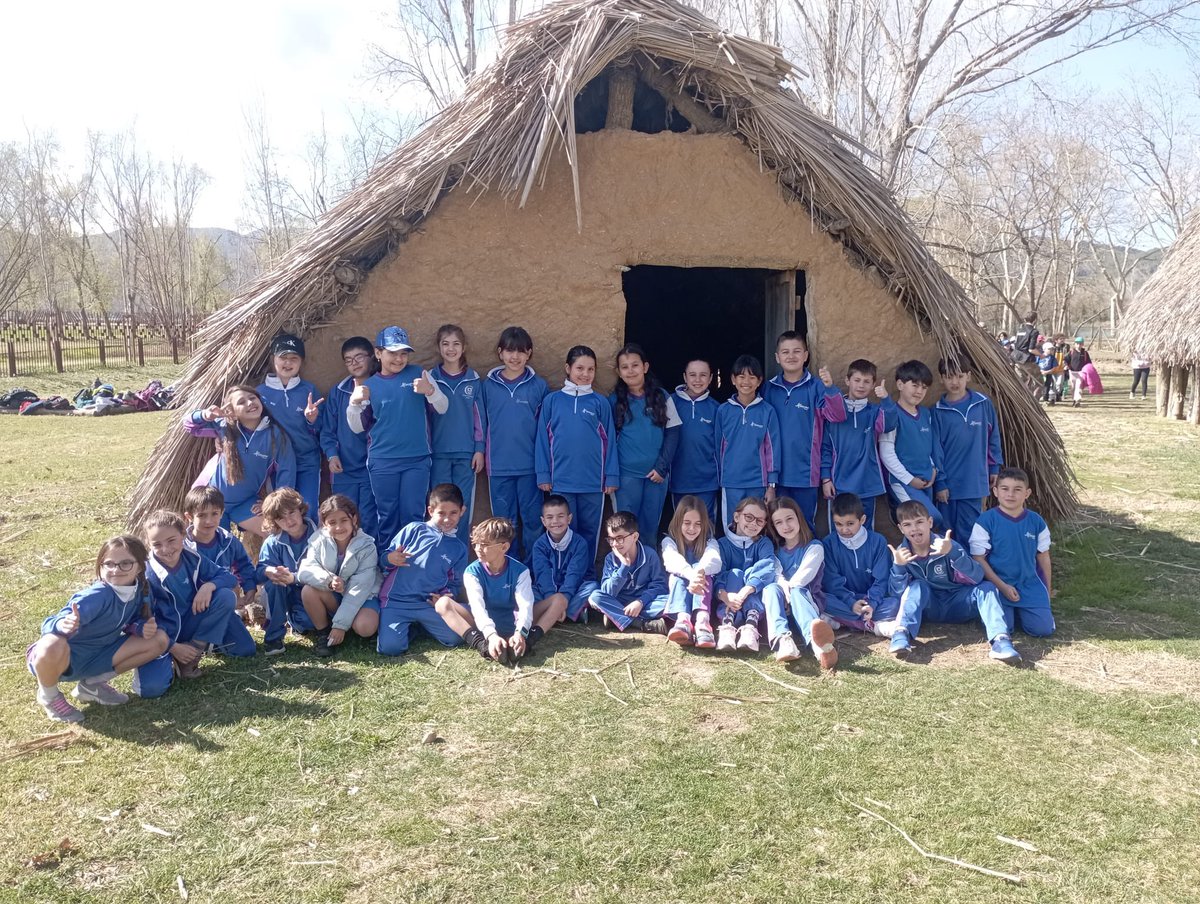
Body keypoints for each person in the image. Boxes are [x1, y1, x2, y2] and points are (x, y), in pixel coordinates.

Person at [27, 535, 167, 723]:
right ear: (100, 566)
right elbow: (50, 623)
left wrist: (141, 628)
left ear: (140, 566)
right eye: (109, 564)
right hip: (61, 660)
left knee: (158, 640)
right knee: (51, 642)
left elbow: (128, 622)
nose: (116, 570)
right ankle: (49, 696)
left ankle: (92, 685)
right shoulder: (98, 594)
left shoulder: (138, 590)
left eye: (125, 563)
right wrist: (62, 624)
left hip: (96, 656)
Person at [348, 325, 450, 554]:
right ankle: (388, 566)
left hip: (417, 460)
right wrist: (354, 403)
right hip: (382, 462)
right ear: (378, 353)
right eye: (392, 352)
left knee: (413, 515)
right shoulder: (369, 386)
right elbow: (356, 427)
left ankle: (413, 566)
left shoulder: (418, 374)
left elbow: (443, 407)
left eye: (403, 353)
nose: (399, 358)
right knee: (387, 515)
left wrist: (430, 391)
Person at [136, 511, 257, 698]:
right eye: (157, 544)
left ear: (183, 536)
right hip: (162, 634)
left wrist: (209, 586)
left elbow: (228, 577)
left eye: (171, 540)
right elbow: (143, 623)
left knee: (228, 603)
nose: (166, 549)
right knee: (152, 689)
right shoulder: (146, 575)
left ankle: (195, 651)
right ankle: (176, 655)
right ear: (148, 545)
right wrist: (173, 646)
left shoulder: (192, 557)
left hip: (192, 621)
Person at [885, 501, 1003, 660]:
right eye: (907, 524)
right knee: (918, 585)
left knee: (987, 588)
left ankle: (1000, 640)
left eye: (919, 522)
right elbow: (897, 594)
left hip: (958, 603)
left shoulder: (947, 545)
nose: (914, 528)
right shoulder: (901, 553)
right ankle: (901, 634)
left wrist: (952, 553)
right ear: (901, 528)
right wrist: (898, 566)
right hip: (930, 608)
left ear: (930, 522)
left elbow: (976, 577)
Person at [536, 345, 619, 565]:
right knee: (563, 534)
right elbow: (542, 441)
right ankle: (563, 577)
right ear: (568, 368)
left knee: (590, 533)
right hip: (561, 482)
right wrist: (543, 474)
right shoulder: (552, 402)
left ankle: (586, 578)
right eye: (580, 368)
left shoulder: (600, 403)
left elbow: (609, 441)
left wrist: (611, 477)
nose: (585, 374)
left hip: (593, 483)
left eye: (590, 369)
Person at [368, 483, 471, 656]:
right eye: (441, 513)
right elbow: (384, 559)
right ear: (430, 511)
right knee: (390, 649)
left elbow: (454, 582)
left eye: (453, 513)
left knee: (455, 638)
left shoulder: (459, 548)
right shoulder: (414, 529)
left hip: (427, 604)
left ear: (462, 511)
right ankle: (409, 629)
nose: (447, 519)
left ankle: (421, 625)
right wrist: (390, 558)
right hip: (396, 601)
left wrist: (445, 595)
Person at [185, 384, 296, 537]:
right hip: (210, 502)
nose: (250, 403)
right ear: (231, 412)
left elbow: (287, 471)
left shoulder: (275, 436)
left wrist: (273, 503)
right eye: (241, 402)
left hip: (244, 503)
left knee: (276, 534)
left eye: (252, 398)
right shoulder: (224, 427)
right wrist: (205, 414)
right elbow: (190, 426)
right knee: (213, 546)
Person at [969, 467, 1055, 662]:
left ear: (1027, 493)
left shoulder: (1036, 522)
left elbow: (1043, 557)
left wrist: (1047, 591)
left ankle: (1029, 610)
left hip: (1029, 583)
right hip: (998, 585)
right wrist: (1003, 587)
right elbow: (978, 558)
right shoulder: (986, 521)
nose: (1010, 494)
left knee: (1042, 630)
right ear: (996, 491)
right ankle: (1010, 612)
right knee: (1005, 627)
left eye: (1017, 489)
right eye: (1005, 488)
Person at [763, 331, 845, 531]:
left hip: (806, 474)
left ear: (806, 355)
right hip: (776, 475)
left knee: (804, 524)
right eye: (785, 352)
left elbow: (837, 416)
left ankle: (807, 561)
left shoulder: (816, 387)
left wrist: (830, 388)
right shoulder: (768, 389)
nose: (791, 356)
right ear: (777, 357)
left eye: (797, 351)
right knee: (777, 526)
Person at [459, 518, 566, 664]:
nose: (477, 548)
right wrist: (491, 635)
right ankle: (483, 645)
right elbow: (477, 608)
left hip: (512, 621)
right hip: (482, 625)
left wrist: (520, 633)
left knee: (559, 600)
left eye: (484, 544)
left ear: (504, 547)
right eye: (475, 544)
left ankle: (527, 642)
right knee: (443, 604)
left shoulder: (520, 571)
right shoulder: (471, 572)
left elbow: (525, 606)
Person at [482, 326, 548, 559]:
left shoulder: (539, 386)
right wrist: (480, 453)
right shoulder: (487, 386)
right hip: (498, 467)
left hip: (530, 467)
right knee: (504, 524)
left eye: (521, 351)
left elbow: (544, 432)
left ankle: (533, 569)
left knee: (532, 521)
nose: (515, 357)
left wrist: (543, 468)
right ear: (500, 353)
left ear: (529, 353)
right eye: (510, 351)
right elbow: (481, 424)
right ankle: (509, 570)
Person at [296, 495, 382, 658]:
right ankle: (323, 633)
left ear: (354, 519)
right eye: (332, 522)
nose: (339, 527)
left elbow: (360, 587)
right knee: (308, 591)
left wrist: (341, 625)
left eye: (344, 520)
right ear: (324, 524)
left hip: (363, 596)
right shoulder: (318, 540)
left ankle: (346, 626)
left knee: (365, 628)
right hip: (335, 596)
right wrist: (328, 581)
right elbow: (306, 569)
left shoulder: (367, 545)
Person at [611, 343, 681, 540]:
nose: (630, 370)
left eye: (635, 365)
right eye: (624, 367)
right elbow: (607, 440)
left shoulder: (662, 397)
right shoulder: (614, 400)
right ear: (618, 371)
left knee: (650, 528)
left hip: (655, 476)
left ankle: (647, 569)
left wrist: (661, 467)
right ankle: (625, 569)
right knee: (624, 529)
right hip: (625, 477)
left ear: (645, 367)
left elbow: (673, 433)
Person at [932, 353, 1002, 541]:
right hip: (948, 484)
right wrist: (940, 482)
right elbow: (935, 451)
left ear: (968, 376)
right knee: (946, 532)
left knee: (970, 531)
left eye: (960, 376)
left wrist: (994, 466)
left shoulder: (982, 404)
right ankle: (949, 570)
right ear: (941, 379)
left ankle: (970, 570)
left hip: (974, 481)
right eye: (948, 377)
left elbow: (993, 437)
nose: (955, 382)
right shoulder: (937, 411)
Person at [820, 359, 895, 530]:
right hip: (838, 483)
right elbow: (825, 447)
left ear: (873, 384)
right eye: (857, 380)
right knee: (839, 530)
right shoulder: (834, 413)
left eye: (867, 381)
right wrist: (826, 479)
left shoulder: (874, 412)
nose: (861, 385)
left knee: (866, 531)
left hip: (867, 483)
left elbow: (888, 424)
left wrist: (885, 400)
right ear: (847, 381)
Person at [429, 324, 488, 542]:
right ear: (439, 347)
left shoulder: (473, 379)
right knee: (439, 509)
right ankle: (437, 558)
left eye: (456, 344)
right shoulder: (431, 378)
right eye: (445, 344)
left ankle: (459, 558)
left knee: (462, 508)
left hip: (466, 454)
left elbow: (479, 419)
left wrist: (479, 449)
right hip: (438, 453)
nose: (450, 349)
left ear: (464, 348)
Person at [763, 497, 837, 668]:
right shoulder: (774, 551)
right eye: (779, 522)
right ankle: (784, 641)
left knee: (796, 591)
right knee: (770, 588)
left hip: (807, 602)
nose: (786, 526)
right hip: (784, 605)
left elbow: (802, 579)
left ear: (799, 518)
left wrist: (788, 595)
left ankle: (819, 648)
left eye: (789, 519)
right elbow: (777, 575)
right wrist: (784, 594)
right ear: (773, 527)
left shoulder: (814, 547)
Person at [258, 333, 323, 517]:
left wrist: (312, 418)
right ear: (273, 359)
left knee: (308, 509)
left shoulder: (309, 390)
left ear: (301, 362)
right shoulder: (260, 393)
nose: (288, 363)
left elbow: (321, 428)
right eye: (283, 357)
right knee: (281, 510)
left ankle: (308, 546)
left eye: (294, 358)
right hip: (277, 463)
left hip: (307, 460)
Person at [321, 336, 379, 539]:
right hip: (344, 468)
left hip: (374, 467)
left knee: (371, 518)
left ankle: (372, 564)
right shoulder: (339, 392)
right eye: (348, 359)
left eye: (359, 357)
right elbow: (328, 430)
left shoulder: (381, 386)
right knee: (342, 517)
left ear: (372, 357)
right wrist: (331, 455)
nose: (354, 363)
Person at [820, 493, 900, 637]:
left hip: (871, 600)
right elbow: (831, 582)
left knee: (895, 604)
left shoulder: (878, 541)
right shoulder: (828, 543)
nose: (844, 530)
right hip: (844, 600)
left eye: (850, 524)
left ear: (862, 520)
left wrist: (871, 604)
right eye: (838, 524)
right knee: (820, 599)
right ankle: (867, 624)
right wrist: (851, 602)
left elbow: (881, 580)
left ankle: (843, 621)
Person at [715, 354, 781, 524]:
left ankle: (756, 552)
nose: (746, 382)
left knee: (756, 524)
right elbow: (717, 448)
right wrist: (720, 478)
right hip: (731, 482)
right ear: (733, 379)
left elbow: (772, 450)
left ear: (759, 381)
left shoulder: (767, 411)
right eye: (741, 377)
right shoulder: (723, 411)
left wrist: (771, 485)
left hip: (758, 482)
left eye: (752, 377)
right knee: (733, 524)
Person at [878, 359, 944, 528]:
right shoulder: (892, 413)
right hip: (903, 483)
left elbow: (927, 447)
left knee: (920, 527)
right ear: (900, 385)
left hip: (926, 481)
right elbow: (886, 453)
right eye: (914, 385)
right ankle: (896, 510)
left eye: (924, 387)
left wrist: (933, 470)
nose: (919, 391)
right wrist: (909, 480)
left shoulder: (926, 414)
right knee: (931, 519)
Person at [255, 488, 318, 655]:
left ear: (301, 509)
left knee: (307, 624)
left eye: (291, 512)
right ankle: (273, 636)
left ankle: (295, 619)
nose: (288, 520)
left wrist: (294, 578)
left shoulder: (320, 534)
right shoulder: (272, 542)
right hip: (281, 591)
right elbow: (260, 571)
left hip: (311, 590)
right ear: (274, 522)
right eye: (280, 518)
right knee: (275, 583)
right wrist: (269, 571)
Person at [587, 510, 670, 633]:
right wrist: (624, 567)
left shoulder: (650, 555)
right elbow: (607, 592)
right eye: (611, 539)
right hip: (619, 601)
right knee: (595, 597)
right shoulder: (610, 559)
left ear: (635, 536)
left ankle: (615, 617)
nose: (615, 544)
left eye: (620, 538)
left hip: (644, 602)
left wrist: (640, 602)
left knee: (670, 601)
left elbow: (659, 585)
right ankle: (642, 624)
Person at [182, 486, 258, 615]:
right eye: (201, 515)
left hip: (224, 599)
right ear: (189, 516)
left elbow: (243, 564)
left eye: (214, 514)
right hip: (193, 604)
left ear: (222, 513)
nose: (208, 521)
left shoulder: (229, 542)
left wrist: (249, 586)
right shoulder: (183, 546)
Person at [713, 496, 774, 653]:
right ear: (736, 517)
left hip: (752, 599)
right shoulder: (722, 544)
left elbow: (768, 567)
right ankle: (727, 625)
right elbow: (718, 574)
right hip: (729, 600)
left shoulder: (763, 543)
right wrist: (724, 595)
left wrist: (747, 589)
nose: (753, 523)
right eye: (749, 517)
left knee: (752, 574)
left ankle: (751, 626)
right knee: (735, 573)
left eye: (759, 521)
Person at [661, 494, 722, 648]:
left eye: (697, 524)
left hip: (704, 593)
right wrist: (692, 576)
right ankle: (683, 621)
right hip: (680, 590)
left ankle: (703, 622)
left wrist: (699, 572)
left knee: (702, 568)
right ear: (678, 522)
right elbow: (671, 560)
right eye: (686, 523)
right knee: (677, 574)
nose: (692, 528)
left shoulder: (710, 541)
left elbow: (714, 560)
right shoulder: (669, 541)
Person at [529, 495, 599, 624]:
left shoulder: (579, 543)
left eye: (561, 516)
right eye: (550, 517)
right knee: (529, 590)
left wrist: (563, 599)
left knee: (592, 587)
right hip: (547, 594)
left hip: (572, 592)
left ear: (569, 518)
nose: (555, 521)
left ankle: (557, 614)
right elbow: (542, 574)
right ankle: (570, 614)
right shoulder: (539, 545)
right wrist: (552, 600)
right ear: (543, 521)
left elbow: (575, 574)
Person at [670, 358, 720, 525]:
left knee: (706, 525)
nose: (697, 380)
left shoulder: (717, 408)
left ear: (711, 378)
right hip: (679, 479)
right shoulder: (670, 403)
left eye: (703, 375)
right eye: (693, 375)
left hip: (707, 480)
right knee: (682, 525)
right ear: (685, 377)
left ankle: (709, 552)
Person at [1010, 311, 1042, 396]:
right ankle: (1035, 402)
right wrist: (1041, 355)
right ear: (1035, 320)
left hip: (1016, 359)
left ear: (1025, 319)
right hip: (1027, 361)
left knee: (1021, 383)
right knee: (1040, 382)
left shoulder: (1020, 330)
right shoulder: (1033, 331)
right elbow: (1031, 349)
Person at [1064, 336, 1092, 408]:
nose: (1079, 345)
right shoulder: (1071, 352)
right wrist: (1066, 366)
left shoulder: (1085, 353)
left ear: (1082, 344)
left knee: (1079, 386)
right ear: (1075, 344)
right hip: (1072, 372)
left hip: (1081, 372)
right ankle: (1074, 399)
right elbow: (1065, 360)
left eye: (1080, 344)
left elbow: (1089, 363)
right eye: (1077, 343)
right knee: (1073, 387)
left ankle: (1078, 400)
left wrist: (1088, 370)